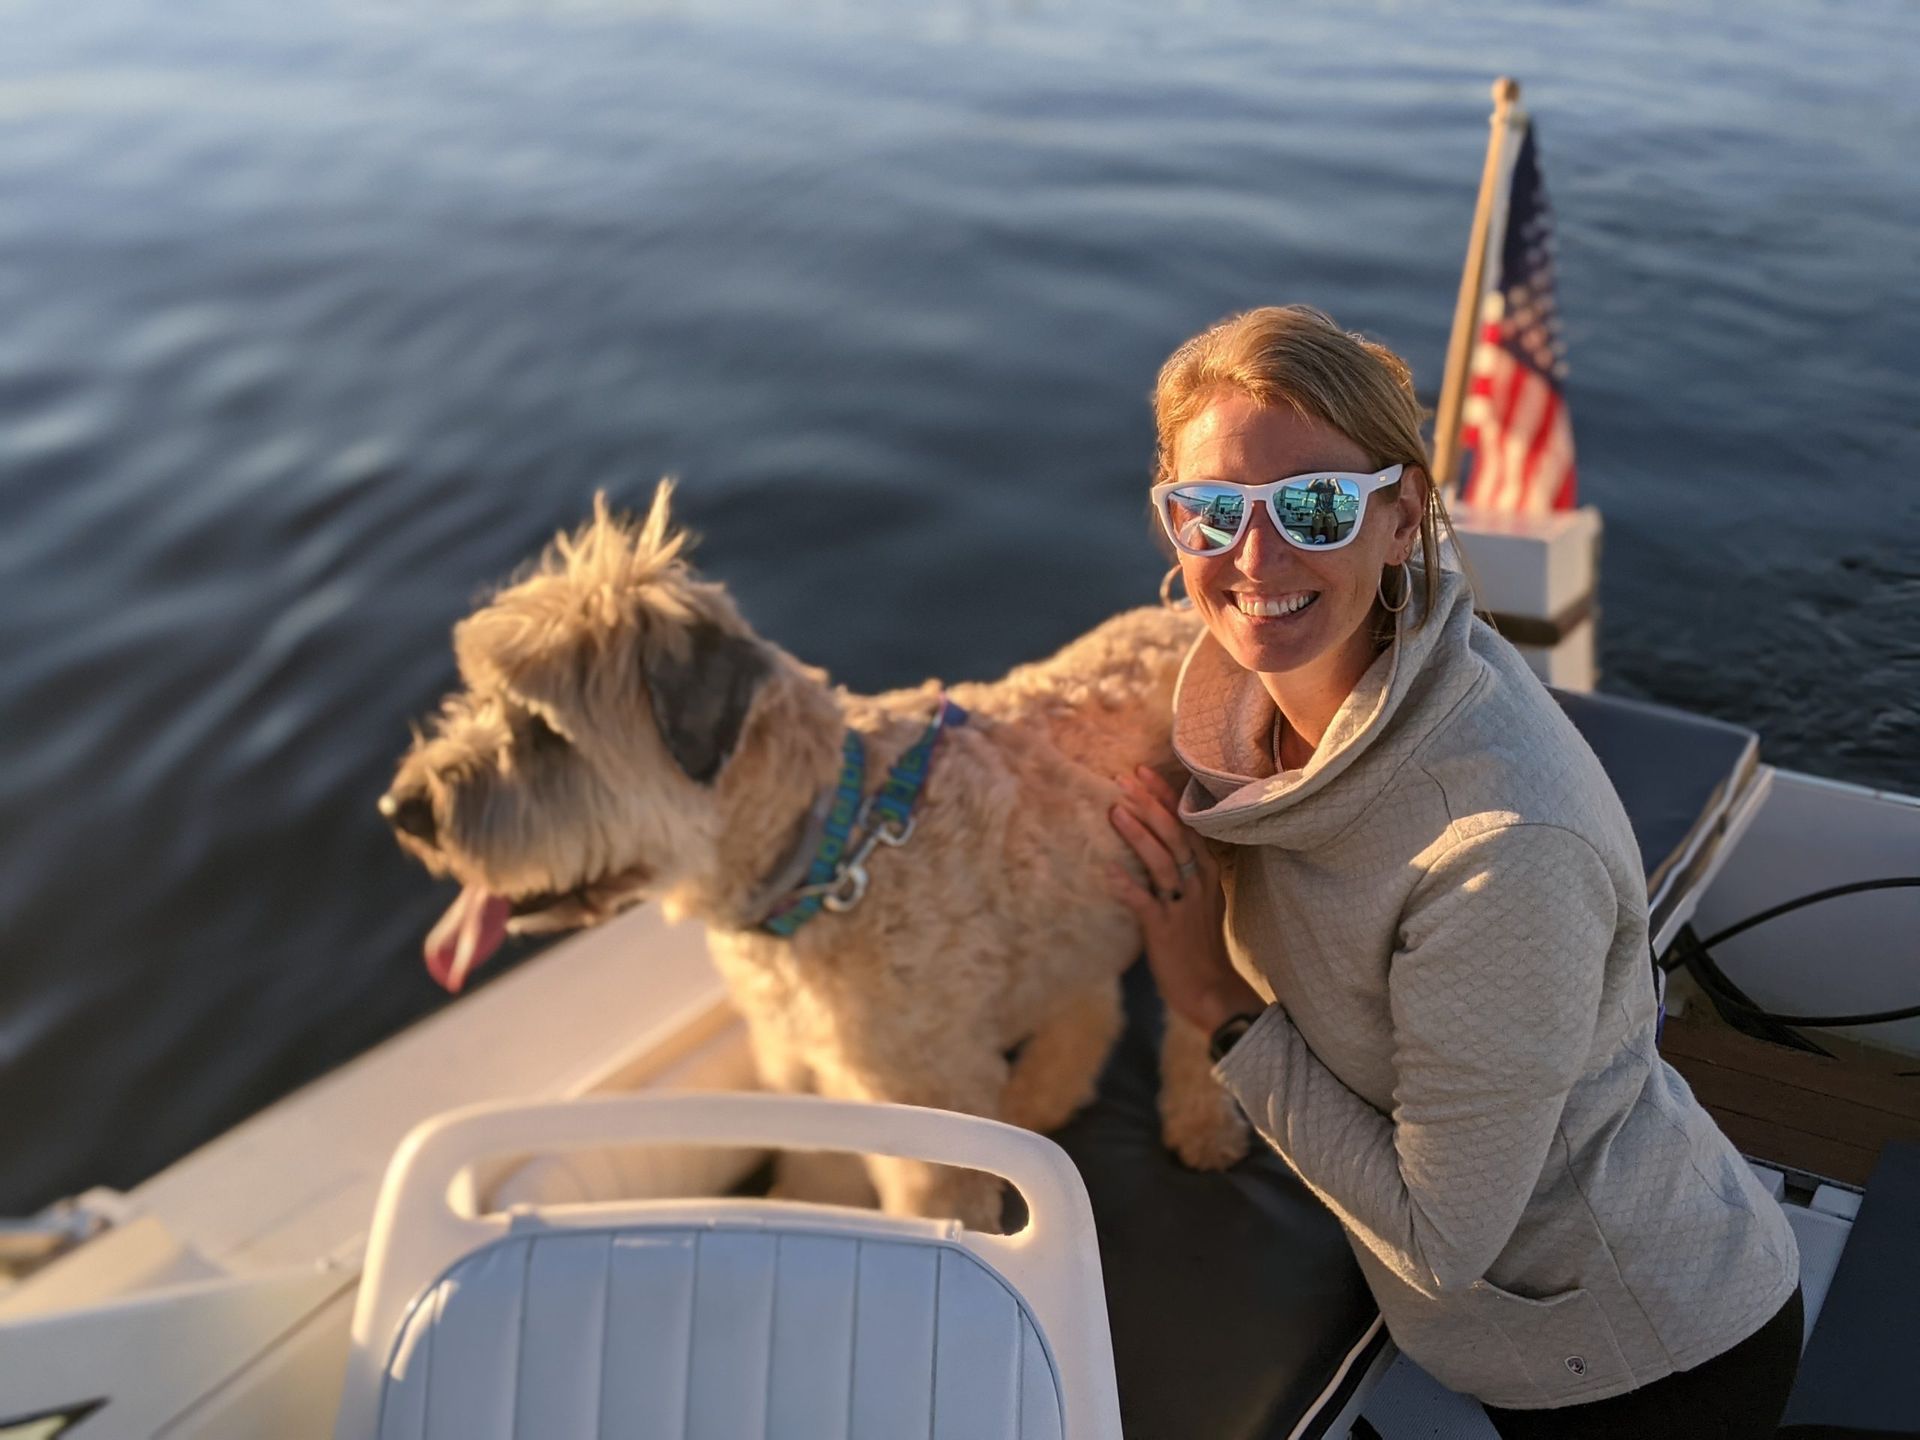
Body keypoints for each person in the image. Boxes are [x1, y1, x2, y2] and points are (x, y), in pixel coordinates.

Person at [1105, 304, 1803, 1438]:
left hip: (1642, 1365)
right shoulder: (1281, 686)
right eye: (1212, 510)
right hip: (1522, 1320)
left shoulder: (1499, 850)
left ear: (1402, 516)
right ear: (1170, 520)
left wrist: (1214, 1006)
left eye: (1317, 506)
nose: (1255, 556)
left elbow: (1441, 1242)